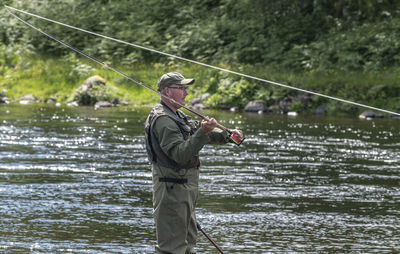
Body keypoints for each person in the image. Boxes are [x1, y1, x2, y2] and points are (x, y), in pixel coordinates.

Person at [144, 72, 243, 253]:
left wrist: (227, 136)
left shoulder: (177, 115)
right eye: (181, 89)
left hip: (182, 191)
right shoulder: (164, 120)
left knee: (188, 245)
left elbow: (196, 135)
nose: (186, 93)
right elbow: (180, 154)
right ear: (167, 91)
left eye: (186, 88)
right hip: (171, 192)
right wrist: (203, 132)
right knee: (172, 249)